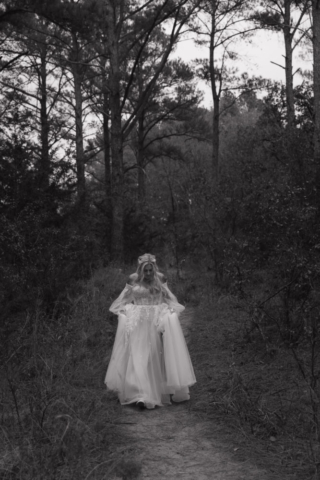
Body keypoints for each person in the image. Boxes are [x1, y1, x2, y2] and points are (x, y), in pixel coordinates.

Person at [105, 253, 196, 410]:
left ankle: (155, 390)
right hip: (138, 320)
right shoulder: (133, 279)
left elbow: (169, 298)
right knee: (137, 355)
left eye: (150, 270)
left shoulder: (160, 278)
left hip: (155, 320)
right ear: (140, 269)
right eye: (145, 270)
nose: (148, 274)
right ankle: (140, 394)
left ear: (154, 268)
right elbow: (123, 298)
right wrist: (123, 312)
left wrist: (170, 310)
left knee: (153, 356)